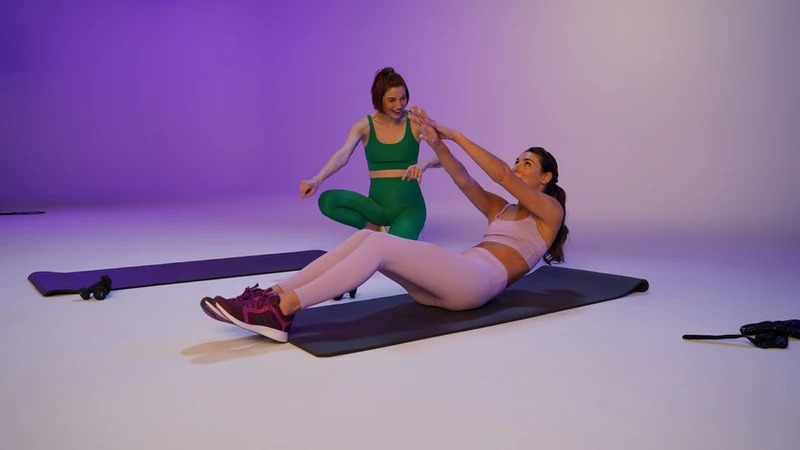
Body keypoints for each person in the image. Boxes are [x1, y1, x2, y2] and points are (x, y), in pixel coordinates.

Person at [201, 105, 569, 342]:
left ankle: (284, 310)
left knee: (379, 243)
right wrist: (437, 143)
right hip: (448, 284)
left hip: (477, 284)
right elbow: (464, 179)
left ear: (545, 177)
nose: (518, 166)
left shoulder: (549, 214)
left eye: (527, 164)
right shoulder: (500, 209)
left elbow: (501, 175)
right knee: (366, 239)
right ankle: (272, 295)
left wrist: (456, 135)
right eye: (518, 160)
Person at [298, 67, 442, 240]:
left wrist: (424, 164)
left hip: (409, 208)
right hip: (377, 208)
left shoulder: (415, 122)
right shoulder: (364, 126)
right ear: (379, 99)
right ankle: (373, 228)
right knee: (327, 201)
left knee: (393, 250)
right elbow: (343, 154)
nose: (399, 105)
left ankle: (405, 230)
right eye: (391, 100)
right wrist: (317, 179)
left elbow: (445, 157)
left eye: (403, 98)